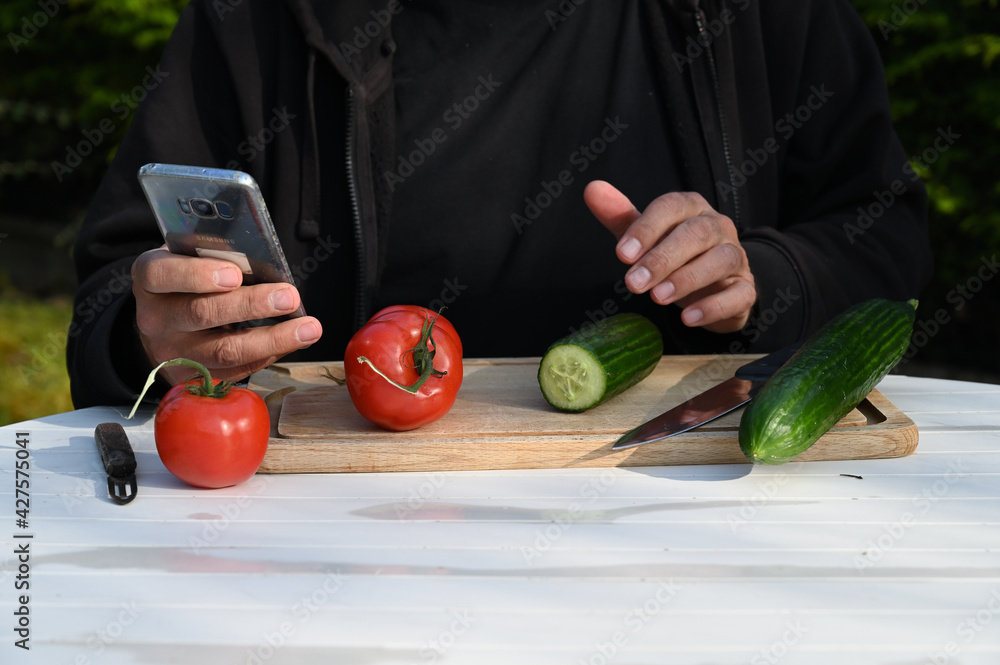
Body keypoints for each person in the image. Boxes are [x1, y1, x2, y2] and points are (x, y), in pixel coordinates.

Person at [67, 0, 933, 408]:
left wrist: (765, 277)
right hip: (328, 542)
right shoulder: (252, 22)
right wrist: (153, 335)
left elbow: (885, 235)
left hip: (692, 520)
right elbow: (113, 293)